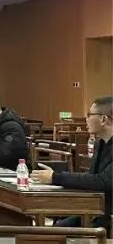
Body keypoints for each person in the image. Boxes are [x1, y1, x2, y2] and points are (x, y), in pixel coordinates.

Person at [32, 96, 112, 230]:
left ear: (103, 119)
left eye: (89, 115)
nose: (86, 119)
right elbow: (91, 177)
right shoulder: (100, 143)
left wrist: (56, 177)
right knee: (53, 227)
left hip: (107, 214)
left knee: (54, 232)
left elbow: (103, 181)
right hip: (95, 208)